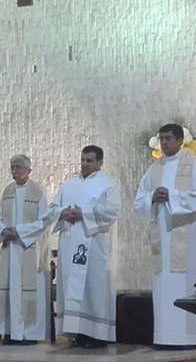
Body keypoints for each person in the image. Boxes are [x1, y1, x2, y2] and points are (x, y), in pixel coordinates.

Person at [134, 123, 196, 348]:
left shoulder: (194, 164)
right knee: (164, 286)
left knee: (186, 284)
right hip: (163, 236)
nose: (165, 143)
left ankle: (192, 337)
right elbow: (139, 199)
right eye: (162, 139)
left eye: (169, 138)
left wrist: (172, 196)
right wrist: (152, 196)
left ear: (180, 140)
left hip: (187, 239)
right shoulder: (154, 168)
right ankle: (166, 336)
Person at [48, 145, 120, 348]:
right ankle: (77, 333)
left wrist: (84, 214)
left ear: (100, 162)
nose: (85, 164)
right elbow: (52, 208)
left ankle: (96, 336)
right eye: (83, 160)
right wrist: (64, 212)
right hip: (70, 243)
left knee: (93, 288)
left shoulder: (108, 184)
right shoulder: (69, 183)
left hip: (94, 244)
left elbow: (112, 211)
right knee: (71, 287)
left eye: (89, 160)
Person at [0, 154, 50, 345]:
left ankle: (29, 334)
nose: (14, 170)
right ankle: (10, 331)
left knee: (28, 291)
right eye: (12, 167)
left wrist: (19, 232)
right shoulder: (7, 191)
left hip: (29, 249)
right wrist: (4, 230)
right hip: (11, 248)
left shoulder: (38, 192)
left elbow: (43, 221)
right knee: (10, 291)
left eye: (18, 167)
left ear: (28, 170)